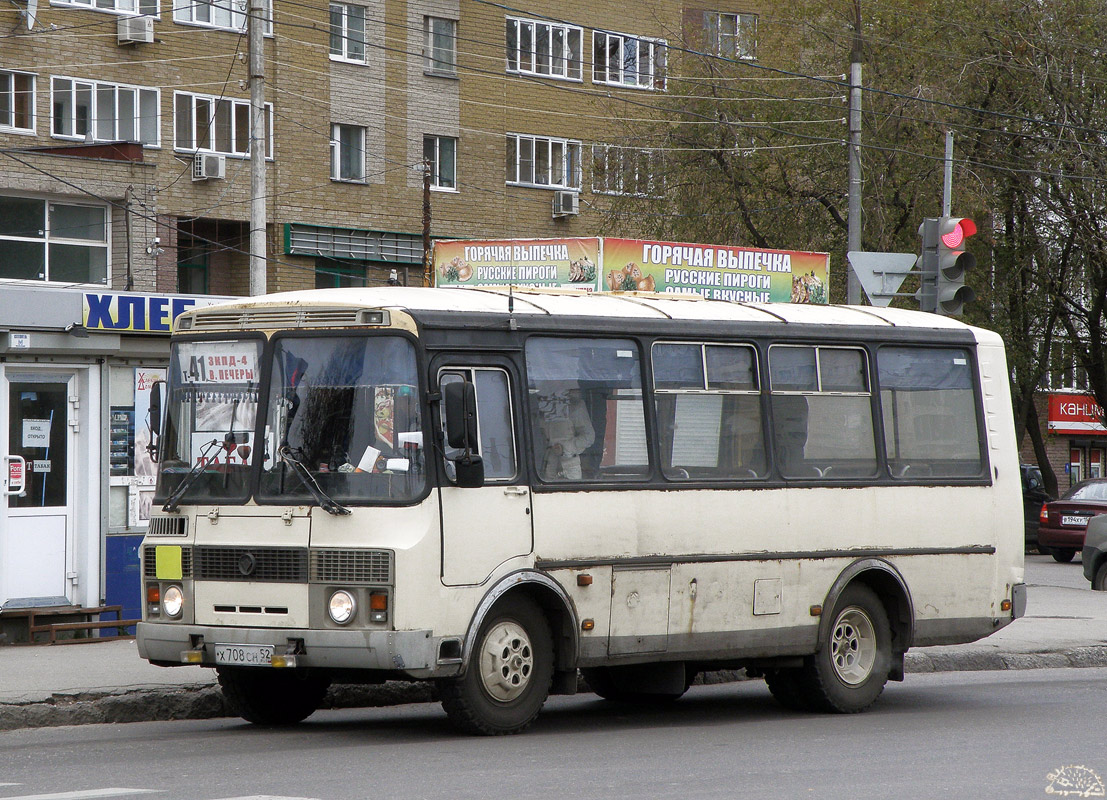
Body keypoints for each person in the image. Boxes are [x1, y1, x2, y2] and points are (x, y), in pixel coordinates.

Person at [536, 386, 595, 480]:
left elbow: (588, 437)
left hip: (570, 464)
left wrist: (564, 447)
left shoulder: (575, 407)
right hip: (546, 466)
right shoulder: (541, 404)